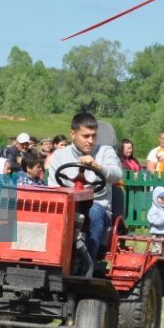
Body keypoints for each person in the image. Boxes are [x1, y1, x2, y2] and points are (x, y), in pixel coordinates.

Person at [47, 112, 123, 264]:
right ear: (73, 134)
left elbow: (117, 173)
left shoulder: (105, 152)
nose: (91, 141)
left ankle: (88, 264)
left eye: (94, 136)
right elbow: (53, 188)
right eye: (86, 136)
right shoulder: (60, 156)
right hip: (67, 207)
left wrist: (98, 167)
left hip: (99, 208)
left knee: (94, 211)